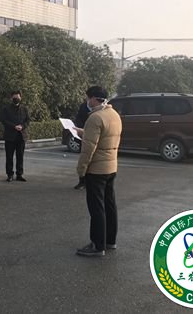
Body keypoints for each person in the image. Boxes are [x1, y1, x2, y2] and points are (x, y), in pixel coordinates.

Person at [75, 86, 122, 257]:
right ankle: (110, 241)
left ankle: (97, 245)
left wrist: (81, 169)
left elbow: (89, 148)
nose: (87, 101)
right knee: (109, 205)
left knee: (96, 208)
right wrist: (83, 132)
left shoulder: (95, 117)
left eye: (88, 98)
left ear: (94, 99)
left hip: (97, 169)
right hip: (111, 166)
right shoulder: (114, 115)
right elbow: (104, 137)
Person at [1, 90, 30, 182]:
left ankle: (19, 174)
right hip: (10, 136)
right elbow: (4, 120)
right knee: (9, 157)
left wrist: (22, 126)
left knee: (20, 156)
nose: (16, 99)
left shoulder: (24, 108)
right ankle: (9, 174)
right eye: (14, 97)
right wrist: (14, 126)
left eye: (17, 97)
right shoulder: (6, 108)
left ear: (20, 98)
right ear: (11, 98)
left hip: (21, 136)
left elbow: (27, 120)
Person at [73, 100, 91, 190]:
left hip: (92, 135)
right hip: (82, 135)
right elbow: (78, 118)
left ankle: (89, 182)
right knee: (83, 159)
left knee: (91, 161)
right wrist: (79, 129)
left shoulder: (101, 109)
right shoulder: (83, 106)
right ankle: (82, 181)